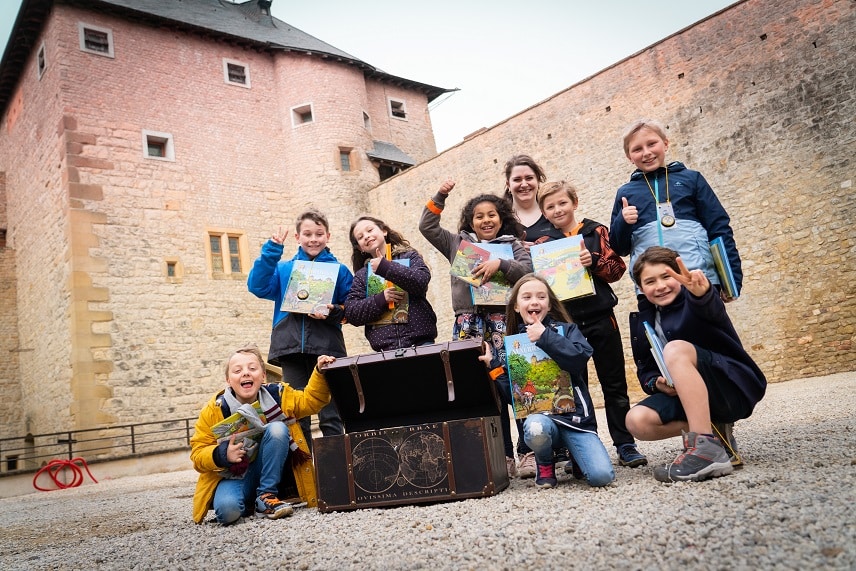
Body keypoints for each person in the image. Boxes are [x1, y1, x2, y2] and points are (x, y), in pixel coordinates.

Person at [419, 180, 532, 478]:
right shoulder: (457, 244)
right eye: (479, 216)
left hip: (504, 322)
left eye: (491, 215)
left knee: (515, 385)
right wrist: (440, 195)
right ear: (470, 221)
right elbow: (427, 226)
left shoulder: (513, 245)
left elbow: (529, 270)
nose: (486, 220)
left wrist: (501, 264)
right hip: (469, 325)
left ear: (501, 217)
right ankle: (501, 454)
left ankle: (527, 452)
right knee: (485, 388)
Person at [625, 247, 766, 482]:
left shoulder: (696, 298)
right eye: (650, 281)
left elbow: (710, 307)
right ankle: (715, 431)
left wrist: (704, 293)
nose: (659, 286)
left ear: (680, 275)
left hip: (729, 386)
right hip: (686, 396)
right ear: (640, 288)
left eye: (666, 276)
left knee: (675, 349)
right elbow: (646, 371)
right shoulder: (643, 321)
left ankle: (704, 449)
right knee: (636, 421)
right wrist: (657, 383)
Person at [537, 180, 647, 468]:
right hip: (567, 325)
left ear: (574, 202)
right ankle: (583, 449)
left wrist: (594, 261)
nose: (557, 209)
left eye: (562, 202)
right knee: (575, 390)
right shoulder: (542, 244)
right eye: (550, 206)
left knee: (614, 385)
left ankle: (625, 444)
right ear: (544, 213)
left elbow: (617, 270)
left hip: (601, 319)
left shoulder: (596, 231)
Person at [483, 274, 615, 489]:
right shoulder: (515, 345)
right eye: (526, 297)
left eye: (541, 296)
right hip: (542, 422)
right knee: (535, 427)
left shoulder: (567, 331)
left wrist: (545, 336)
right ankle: (545, 462)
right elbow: (515, 398)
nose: (534, 301)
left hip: (575, 422)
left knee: (602, 477)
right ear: (516, 306)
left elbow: (578, 359)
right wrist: (495, 367)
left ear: (549, 303)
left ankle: (577, 455)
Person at [190, 344, 336, 524]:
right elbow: (197, 453)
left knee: (277, 429)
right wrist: (221, 454)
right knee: (228, 513)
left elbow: (312, 401)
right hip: (234, 475)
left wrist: (319, 372)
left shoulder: (279, 396)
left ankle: (266, 496)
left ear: (263, 376)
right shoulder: (214, 410)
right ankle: (249, 502)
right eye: (237, 370)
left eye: (252, 368)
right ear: (228, 380)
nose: (245, 373)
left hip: (272, 473)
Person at [247, 209, 352, 450]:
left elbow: (351, 309)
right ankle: (302, 471)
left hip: (327, 346)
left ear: (328, 236)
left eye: (318, 234)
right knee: (295, 410)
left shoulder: (340, 270)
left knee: (331, 411)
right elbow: (257, 286)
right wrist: (272, 250)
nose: (313, 239)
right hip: (290, 348)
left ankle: (335, 464)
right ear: (297, 237)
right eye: (307, 234)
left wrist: (332, 311)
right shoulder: (284, 269)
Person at [609, 119, 742, 299]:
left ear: (665, 144)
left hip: (698, 278)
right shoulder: (625, 193)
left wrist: (732, 279)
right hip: (652, 286)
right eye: (637, 149)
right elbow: (619, 248)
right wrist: (623, 223)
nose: (646, 153)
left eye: (652, 144)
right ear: (629, 157)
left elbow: (719, 228)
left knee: (710, 327)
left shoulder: (691, 179)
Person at [344, 216, 437, 351]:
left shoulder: (409, 257)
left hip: (420, 343)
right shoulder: (362, 275)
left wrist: (386, 267)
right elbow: (352, 312)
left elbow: (421, 280)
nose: (366, 236)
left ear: (384, 231)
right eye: (360, 237)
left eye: (370, 230)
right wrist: (381, 299)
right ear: (360, 248)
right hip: (384, 350)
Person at [502, 154, 561, 247]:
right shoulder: (500, 219)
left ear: (538, 180)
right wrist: (516, 250)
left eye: (529, 178)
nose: (524, 184)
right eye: (517, 180)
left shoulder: (555, 211)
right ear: (508, 185)